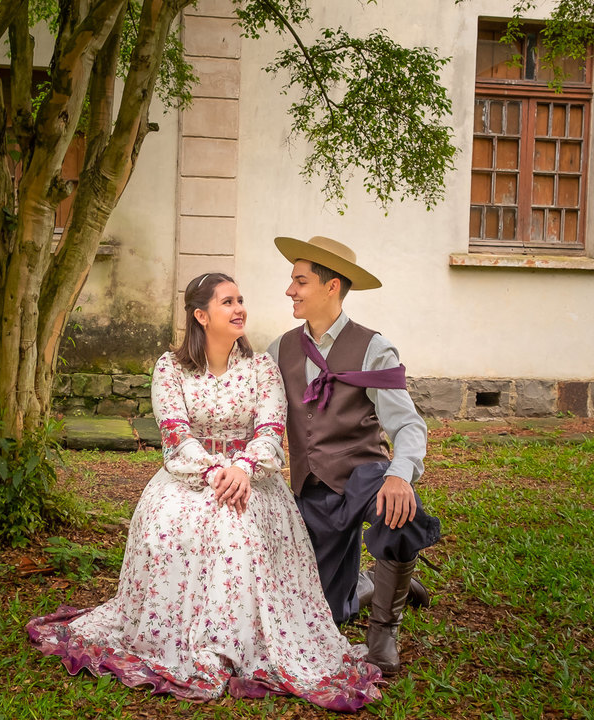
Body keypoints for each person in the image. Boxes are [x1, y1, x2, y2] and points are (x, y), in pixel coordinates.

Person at [26, 273, 382, 711]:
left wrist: (244, 468)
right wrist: (218, 473)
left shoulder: (261, 368)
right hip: (190, 477)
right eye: (228, 302)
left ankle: (240, 639)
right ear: (201, 315)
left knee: (240, 530)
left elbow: (271, 432)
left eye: (241, 300)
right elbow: (175, 436)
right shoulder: (170, 367)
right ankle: (177, 631)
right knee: (171, 527)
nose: (240, 309)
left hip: (254, 479)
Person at [267, 236, 441, 676]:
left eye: (299, 281)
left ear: (332, 287)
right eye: (292, 281)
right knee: (325, 614)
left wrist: (400, 476)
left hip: (366, 477)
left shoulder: (373, 347)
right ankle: (368, 586)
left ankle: (384, 627)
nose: (290, 290)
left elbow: (408, 426)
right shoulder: (280, 350)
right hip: (312, 488)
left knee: (404, 513)